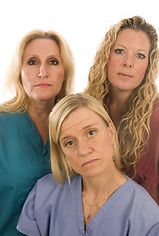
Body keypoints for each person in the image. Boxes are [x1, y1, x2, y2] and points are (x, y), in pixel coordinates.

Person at [17, 93, 159, 236]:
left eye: (91, 133)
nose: (83, 150)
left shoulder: (146, 216)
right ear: (62, 151)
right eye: (69, 142)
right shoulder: (44, 194)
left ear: (110, 132)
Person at [0, 29, 74, 236]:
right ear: (19, 71)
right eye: (32, 62)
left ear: (65, 72)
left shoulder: (76, 125)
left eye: (53, 62)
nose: (43, 72)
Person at [84, 16, 159, 204]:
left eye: (140, 55)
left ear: (148, 66)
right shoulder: (85, 108)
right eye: (119, 51)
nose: (128, 62)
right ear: (106, 56)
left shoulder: (156, 117)